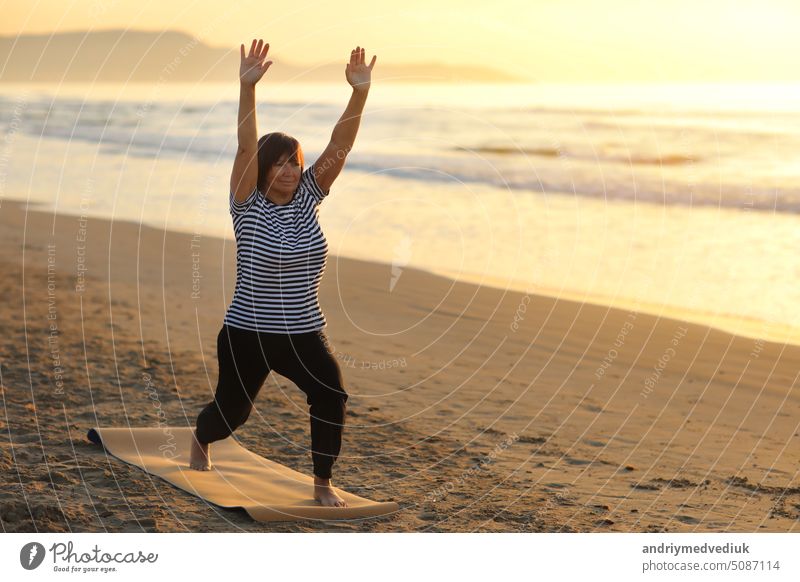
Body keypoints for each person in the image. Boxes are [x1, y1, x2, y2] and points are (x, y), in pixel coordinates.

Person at [189, 38, 376, 508]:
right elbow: (245, 145)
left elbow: (340, 145)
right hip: (246, 332)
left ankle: (321, 482)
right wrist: (247, 87)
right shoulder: (247, 206)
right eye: (279, 164)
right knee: (232, 414)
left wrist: (359, 92)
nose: (290, 172)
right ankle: (201, 436)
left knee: (331, 393)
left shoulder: (310, 196)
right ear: (263, 170)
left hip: (303, 332)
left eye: (294, 163)